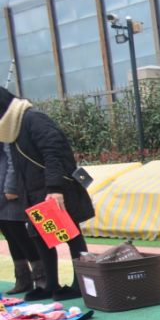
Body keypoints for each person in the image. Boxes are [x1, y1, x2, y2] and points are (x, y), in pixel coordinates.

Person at [0, 87, 93, 301]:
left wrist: (55, 189)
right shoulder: (13, 128)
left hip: (52, 190)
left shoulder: (34, 119)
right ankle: (50, 284)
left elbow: (54, 154)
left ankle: (80, 284)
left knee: (70, 236)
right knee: (41, 237)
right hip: (33, 193)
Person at [0, 142, 43, 295]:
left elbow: (12, 158)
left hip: (9, 190)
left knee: (19, 232)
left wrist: (11, 187)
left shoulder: (5, 127)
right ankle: (23, 279)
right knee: (10, 235)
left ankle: (41, 279)